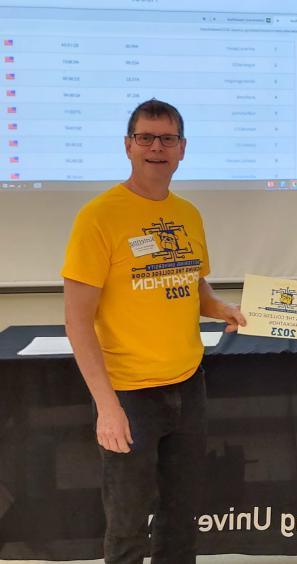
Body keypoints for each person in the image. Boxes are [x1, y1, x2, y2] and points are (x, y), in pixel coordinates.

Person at [62, 99, 245, 564]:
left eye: (167, 139)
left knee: (180, 521)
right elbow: (77, 320)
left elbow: (191, 283)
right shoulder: (98, 218)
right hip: (129, 396)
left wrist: (220, 307)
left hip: (189, 386)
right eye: (146, 137)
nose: (156, 147)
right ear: (128, 146)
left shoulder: (187, 214)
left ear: (182, 148)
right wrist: (107, 407)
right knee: (126, 528)